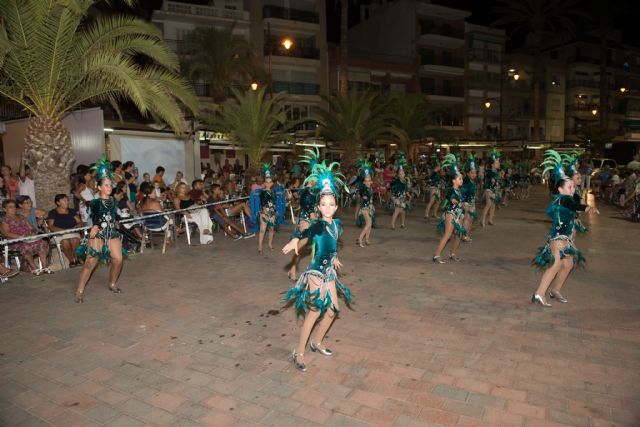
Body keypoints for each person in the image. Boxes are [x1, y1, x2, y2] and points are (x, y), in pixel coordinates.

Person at [282, 159, 352, 373]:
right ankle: (299, 352)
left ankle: (317, 342)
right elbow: (307, 233)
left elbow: (332, 245)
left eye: (331, 204)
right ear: (318, 206)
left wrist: (335, 258)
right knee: (314, 313)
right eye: (324, 205)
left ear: (336, 206)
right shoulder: (318, 224)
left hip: (329, 271)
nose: (328, 208)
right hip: (316, 273)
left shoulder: (337, 224)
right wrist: (296, 240)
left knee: (332, 311)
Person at [531, 150, 599, 307]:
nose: (572, 189)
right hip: (558, 239)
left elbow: (573, 205)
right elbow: (574, 205)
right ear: (560, 190)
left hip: (566, 239)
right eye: (569, 187)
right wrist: (588, 207)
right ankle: (539, 293)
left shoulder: (567, 199)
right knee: (555, 265)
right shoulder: (562, 200)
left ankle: (555, 290)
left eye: (573, 187)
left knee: (568, 264)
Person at [75, 157, 125, 302]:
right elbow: (96, 214)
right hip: (97, 234)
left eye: (110, 185)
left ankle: (112, 283)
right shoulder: (95, 202)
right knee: (90, 263)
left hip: (111, 233)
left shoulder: (113, 200)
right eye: (106, 185)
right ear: (99, 187)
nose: (109, 188)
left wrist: (117, 221)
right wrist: (96, 225)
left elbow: (114, 214)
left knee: (118, 259)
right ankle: (79, 290)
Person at [288, 149, 319, 280]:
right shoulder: (306, 191)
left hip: (316, 219)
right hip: (306, 219)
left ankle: (312, 272)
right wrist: (311, 212)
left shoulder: (318, 191)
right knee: (303, 243)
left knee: (316, 246)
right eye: (313, 178)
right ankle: (293, 267)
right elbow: (304, 202)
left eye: (316, 178)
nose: (315, 180)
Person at [0, 199, 52, 274]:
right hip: (15, 241)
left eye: (14, 207)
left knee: (42, 243)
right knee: (25, 246)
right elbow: (6, 233)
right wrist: (21, 236)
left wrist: (33, 232)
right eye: (10, 207)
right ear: (5, 209)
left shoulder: (21, 217)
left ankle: (45, 267)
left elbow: (31, 228)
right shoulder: (4, 220)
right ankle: (35, 268)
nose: (14, 209)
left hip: (28, 238)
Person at [433, 154, 465, 264]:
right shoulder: (451, 189)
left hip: (459, 214)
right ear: (453, 181)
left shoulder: (459, 191)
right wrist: (453, 200)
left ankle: (452, 253)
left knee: (459, 234)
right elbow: (450, 197)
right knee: (447, 235)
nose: (461, 180)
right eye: (459, 178)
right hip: (451, 214)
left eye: (461, 178)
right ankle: (436, 255)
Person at [46, 194, 83, 267]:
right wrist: (63, 230)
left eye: (67, 200)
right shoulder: (53, 212)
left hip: (72, 232)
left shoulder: (72, 211)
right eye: (64, 200)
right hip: (60, 234)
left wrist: (75, 227)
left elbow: (80, 222)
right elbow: (50, 226)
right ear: (58, 203)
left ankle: (76, 258)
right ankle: (71, 260)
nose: (67, 202)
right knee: (65, 242)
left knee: (75, 240)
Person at [356, 158, 375, 247]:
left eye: (369, 180)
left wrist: (372, 205)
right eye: (366, 180)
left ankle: (367, 239)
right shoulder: (363, 189)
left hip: (369, 207)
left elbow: (370, 199)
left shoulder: (370, 188)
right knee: (368, 223)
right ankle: (360, 239)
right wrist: (363, 197)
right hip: (364, 208)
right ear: (363, 181)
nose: (368, 182)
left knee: (369, 224)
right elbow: (363, 198)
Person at [390, 153, 411, 230]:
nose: (401, 174)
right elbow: (391, 188)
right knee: (397, 210)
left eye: (403, 173)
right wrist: (393, 198)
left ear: (404, 174)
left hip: (403, 198)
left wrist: (408, 195)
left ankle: (402, 223)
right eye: (400, 173)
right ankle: (392, 225)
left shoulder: (406, 180)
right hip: (396, 197)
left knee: (403, 212)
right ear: (398, 174)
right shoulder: (396, 181)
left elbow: (406, 189)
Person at [481, 149, 501, 227]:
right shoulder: (489, 171)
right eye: (497, 163)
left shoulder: (497, 172)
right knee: (488, 205)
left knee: (493, 205)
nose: (499, 163)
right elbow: (490, 178)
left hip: (495, 190)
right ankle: (482, 220)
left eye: (498, 162)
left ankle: (490, 220)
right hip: (489, 190)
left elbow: (497, 182)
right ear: (492, 164)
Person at [460, 155, 478, 242]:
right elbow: (462, 193)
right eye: (472, 173)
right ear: (467, 173)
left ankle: (467, 235)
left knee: (471, 219)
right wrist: (464, 204)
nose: (475, 174)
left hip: (472, 202)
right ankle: (464, 236)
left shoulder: (472, 181)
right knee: (467, 219)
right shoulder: (466, 181)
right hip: (466, 203)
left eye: (475, 172)